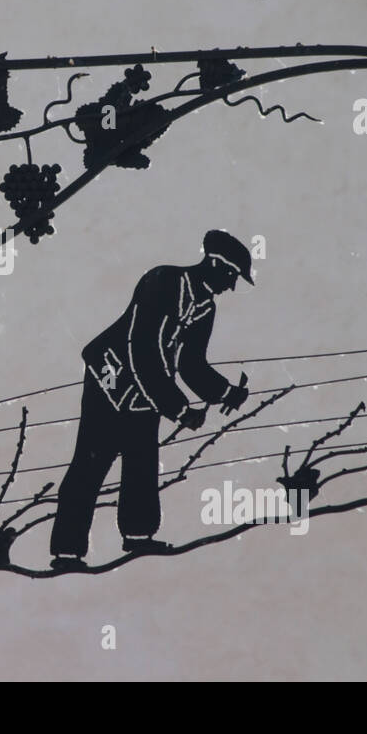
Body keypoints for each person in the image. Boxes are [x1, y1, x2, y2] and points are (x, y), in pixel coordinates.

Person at [49, 230, 254, 571]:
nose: (230, 286)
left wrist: (224, 393)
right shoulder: (164, 280)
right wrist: (177, 408)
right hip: (111, 376)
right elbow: (143, 349)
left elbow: (190, 363)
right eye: (231, 275)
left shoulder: (205, 308)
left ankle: (139, 535)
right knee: (92, 461)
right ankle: (68, 552)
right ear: (215, 264)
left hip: (149, 390)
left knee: (142, 460)